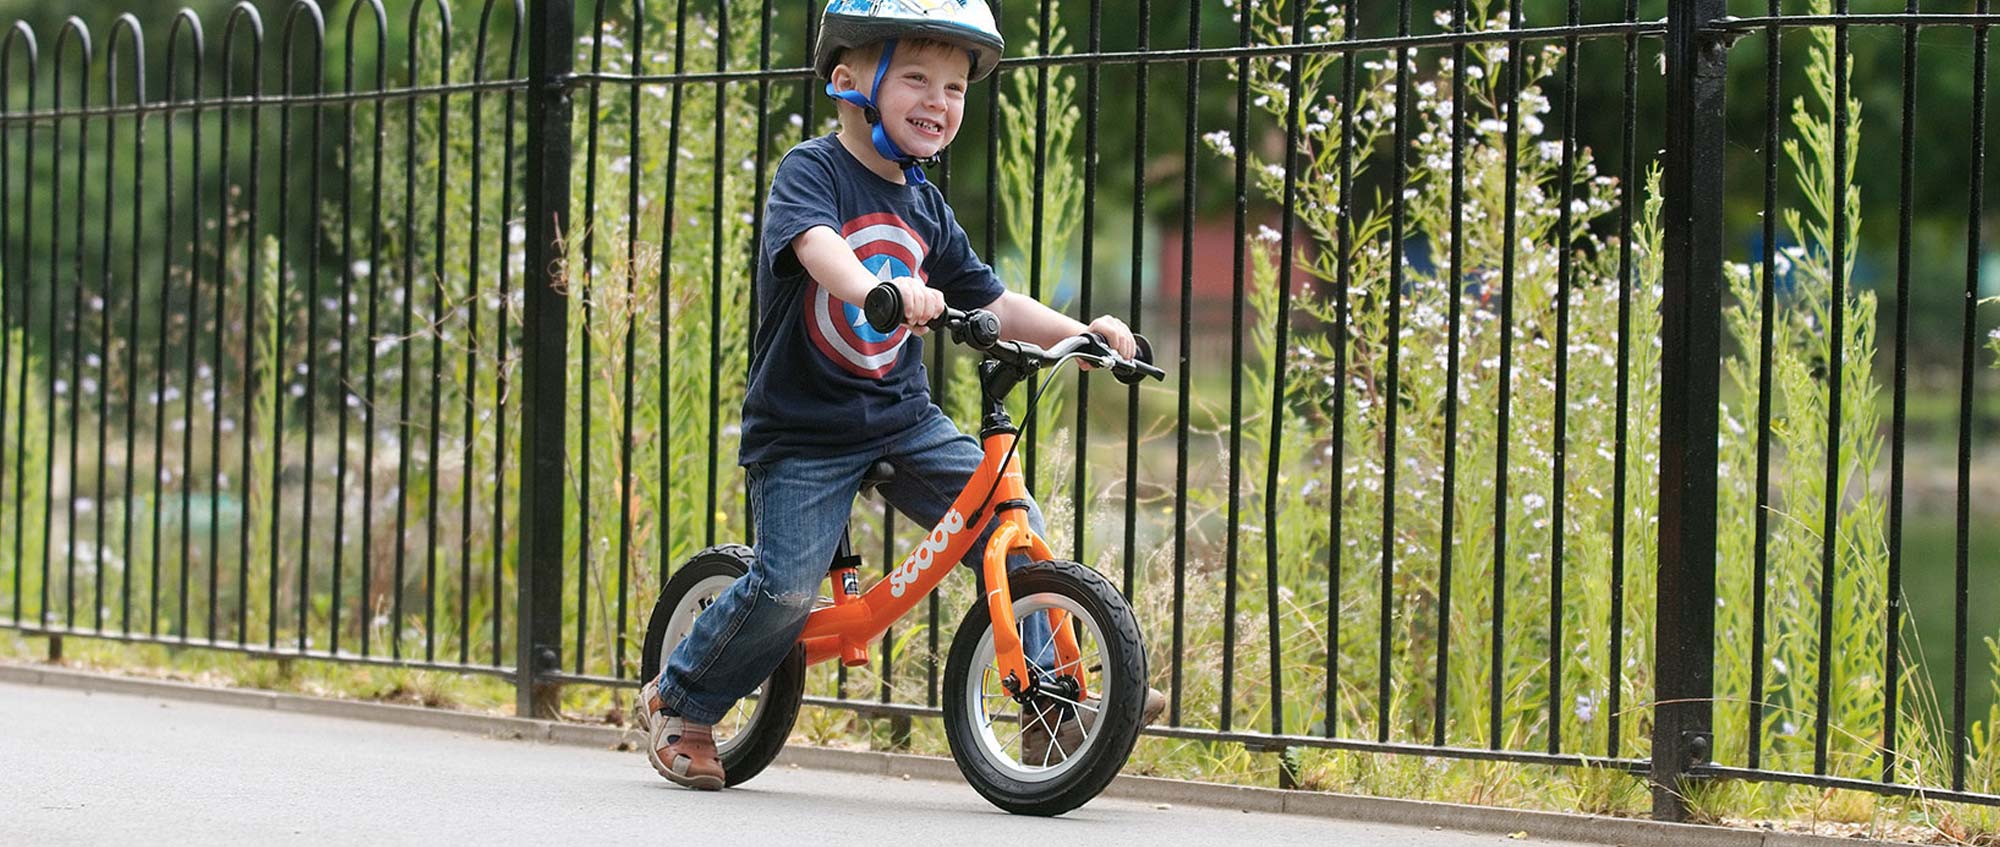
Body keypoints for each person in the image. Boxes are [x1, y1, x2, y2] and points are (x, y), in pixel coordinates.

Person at [633, 0, 1162, 791]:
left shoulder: (925, 206)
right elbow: (819, 251)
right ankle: (681, 700)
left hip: (901, 419)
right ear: (850, 81)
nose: (938, 101)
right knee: (781, 589)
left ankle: (1053, 708)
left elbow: (995, 301)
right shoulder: (812, 172)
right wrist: (879, 286)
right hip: (805, 431)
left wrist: (1080, 333)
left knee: (1015, 523)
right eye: (916, 77)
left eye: (954, 88)